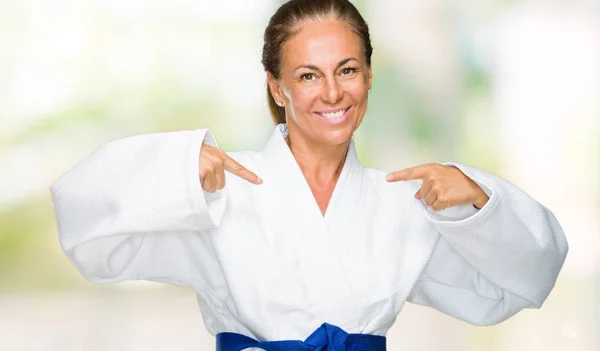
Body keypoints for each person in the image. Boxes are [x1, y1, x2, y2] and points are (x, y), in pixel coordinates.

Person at [50, 0, 569, 350]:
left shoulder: (401, 203)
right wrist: (175, 170)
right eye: (307, 75)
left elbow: (522, 284)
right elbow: (84, 225)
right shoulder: (220, 190)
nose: (333, 92)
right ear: (278, 88)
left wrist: (483, 203)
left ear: (368, 75)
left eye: (346, 69)